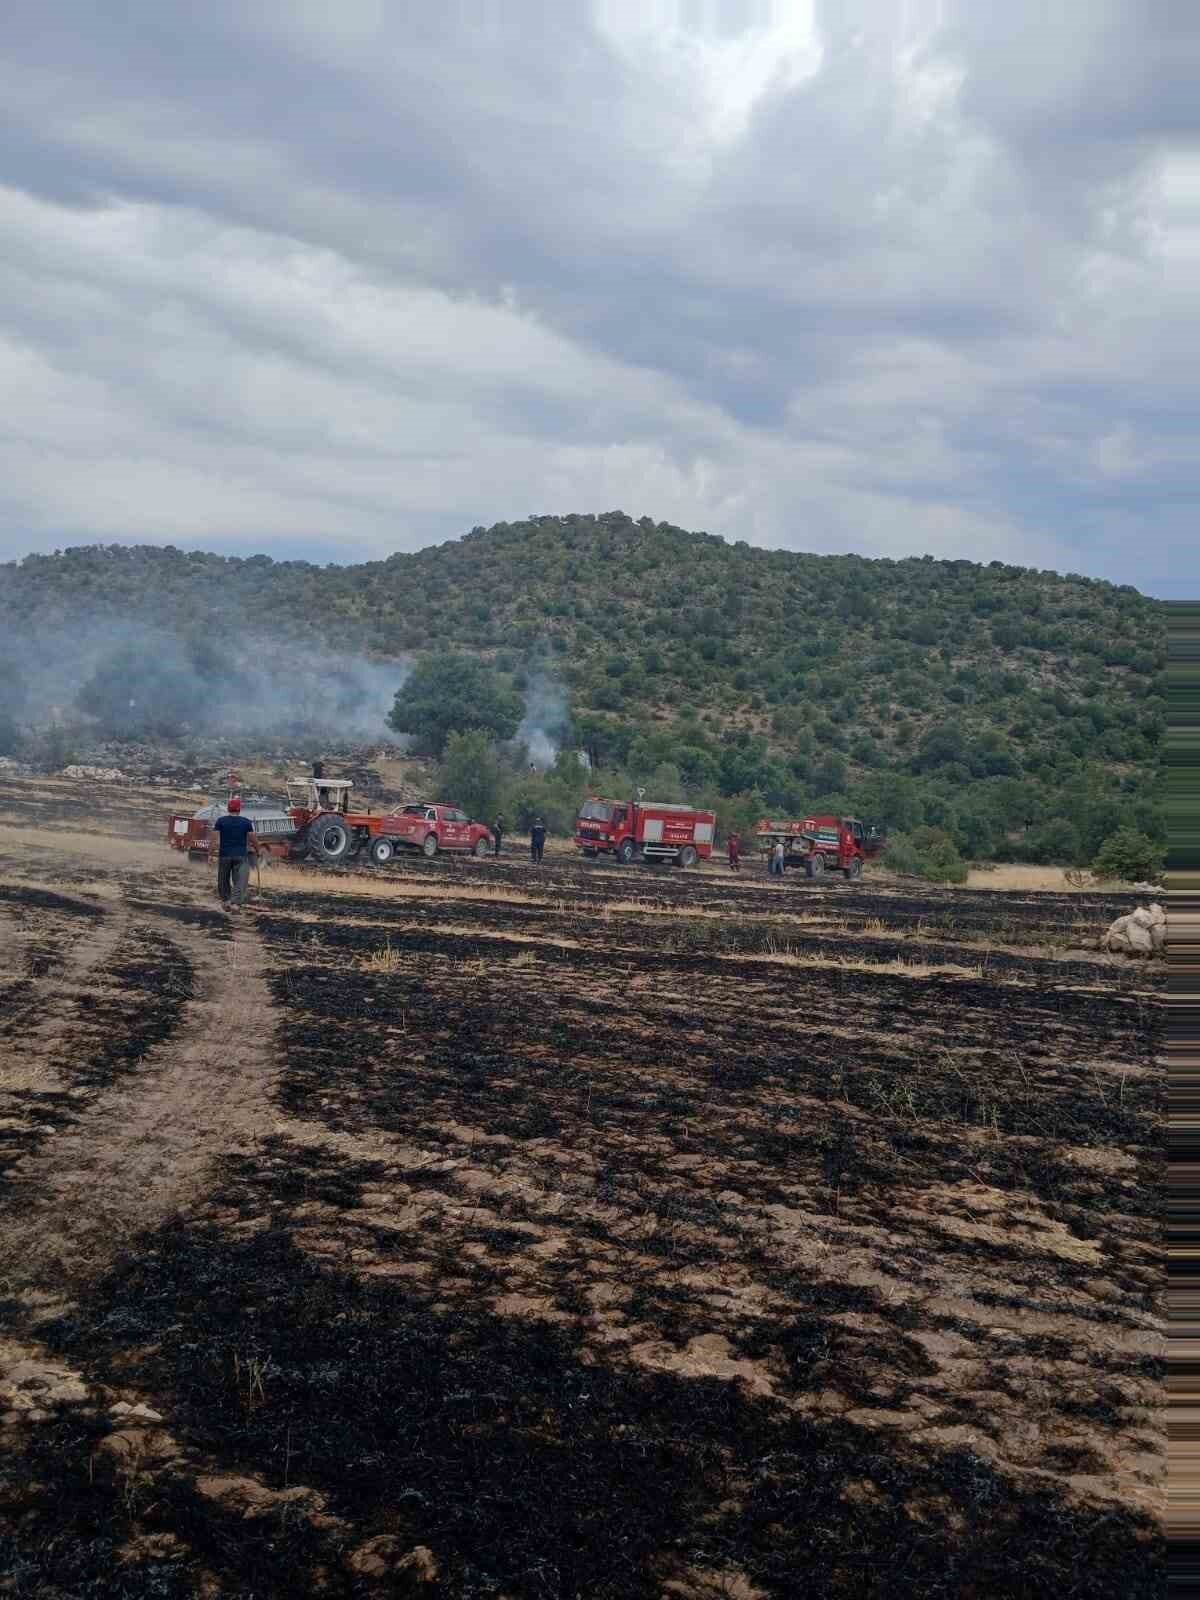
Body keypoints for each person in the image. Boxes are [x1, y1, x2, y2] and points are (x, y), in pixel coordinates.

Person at [212, 795, 258, 911]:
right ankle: (236, 903)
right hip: (240, 856)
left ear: (228, 809)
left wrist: (210, 853)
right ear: (239, 809)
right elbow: (253, 838)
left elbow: (214, 839)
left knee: (223, 879)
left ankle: (226, 901)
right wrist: (257, 850)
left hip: (224, 855)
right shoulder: (246, 822)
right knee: (240, 880)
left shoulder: (220, 821)